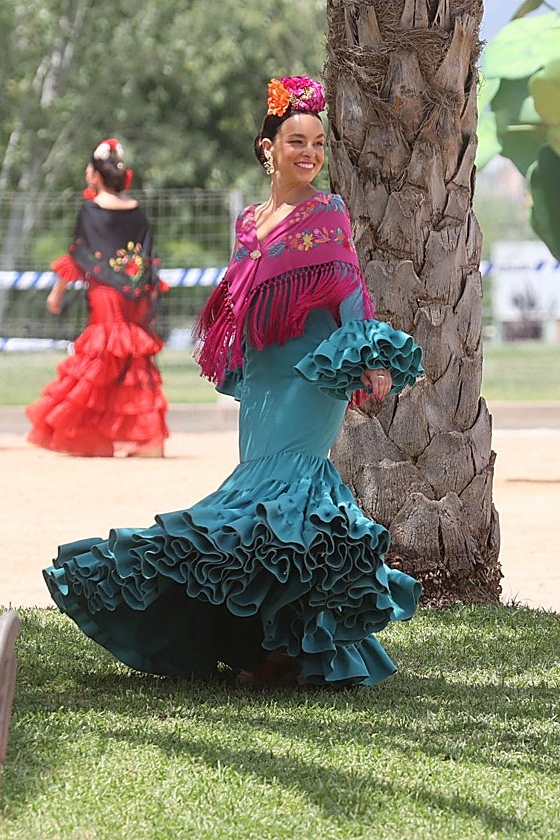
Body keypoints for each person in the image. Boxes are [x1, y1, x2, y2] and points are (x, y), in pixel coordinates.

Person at [43, 75, 424, 688]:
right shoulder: (250, 222)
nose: (310, 153)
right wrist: (238, 354)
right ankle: (265, 644)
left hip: (313, 371)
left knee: (293, 491)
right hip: (265, 375)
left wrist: (370, 356)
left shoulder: (328, 212)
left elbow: (350, 287)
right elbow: (240, 298)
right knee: (258, 499)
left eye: (318, 144)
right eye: (297, 142)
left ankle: (292, 646)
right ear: (268, 148)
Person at [26, 138, 169, 458]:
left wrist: (57, 293)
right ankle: (149, 439)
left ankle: (86, 433)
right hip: (135, 293)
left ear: (95, 176)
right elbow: (146, 258)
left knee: (99, 359)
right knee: (133, 361)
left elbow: (79, 255)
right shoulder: (137, 211)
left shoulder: (90, 210)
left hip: (105, 293)